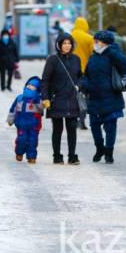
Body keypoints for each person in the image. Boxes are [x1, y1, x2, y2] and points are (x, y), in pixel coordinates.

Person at [80, 30, 126, 164]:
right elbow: (86, 74)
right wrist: (84, 84)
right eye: (95, 41)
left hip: (111, 97)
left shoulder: (114, 54)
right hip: (94, 97)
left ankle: (109, 152)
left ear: (105, 43)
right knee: (94, 126)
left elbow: (125, 64)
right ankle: (99, 148)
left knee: (110, 126)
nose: (95, 43)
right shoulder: (93, 57)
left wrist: (111, 51)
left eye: (98, 41)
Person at [41, 33, 82, 165]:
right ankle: (57, 156)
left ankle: (72, 156)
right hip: (56, 99)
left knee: (72, 128)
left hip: (72, 98)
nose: (67, 46)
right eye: (64, 43)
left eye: (69, 43)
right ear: (59, 45)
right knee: (57, 129)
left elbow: (81, 77)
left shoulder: (76, 59)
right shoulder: (52, 60)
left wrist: (79, 85)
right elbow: (45, 80)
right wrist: (45, 97)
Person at [6, 76, 43, 164]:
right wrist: (11, 119)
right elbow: (13, 109)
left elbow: (13, 109)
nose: (30, 90)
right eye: (29, 87)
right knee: (28, 140)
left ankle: (27, 155)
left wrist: (10, 120)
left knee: (27, 140)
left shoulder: (36, 99)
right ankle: (25, 155)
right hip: (27, 124)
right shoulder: (22, 98)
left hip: (28, 124)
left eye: (32, 88)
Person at [71, 17, 94, 130]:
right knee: (84, 96)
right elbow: (92, 55)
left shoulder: (69, 37)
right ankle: (82, 119)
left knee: (72, 96)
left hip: (71, 71)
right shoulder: (89, 38)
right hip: (84, 71)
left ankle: (73, 119)